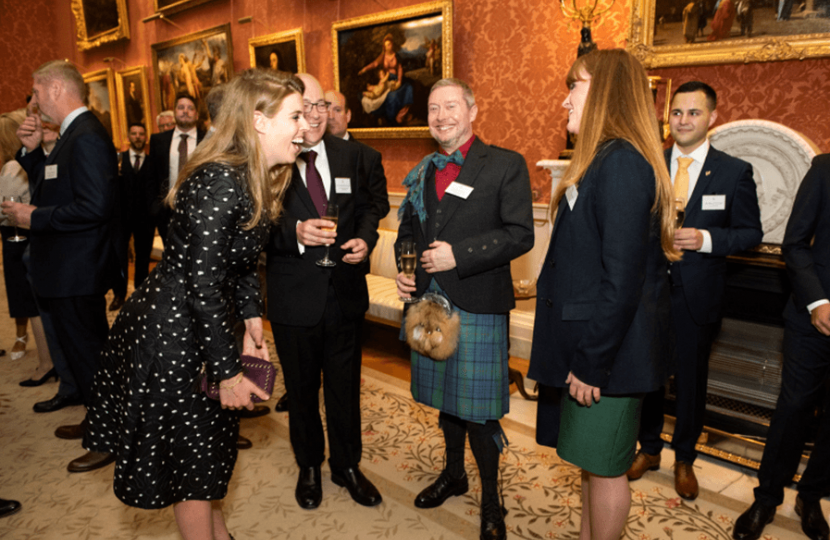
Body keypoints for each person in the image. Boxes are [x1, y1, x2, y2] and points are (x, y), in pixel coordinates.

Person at [80, 69, 307, 539]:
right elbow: (202, 285)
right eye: (296, 116)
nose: (304, 126)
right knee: (191, 462)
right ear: (260, 121)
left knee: (206, 455)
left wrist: (250, 317)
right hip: (174, 334)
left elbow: (241, 262)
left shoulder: (262, 176)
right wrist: (226, 372)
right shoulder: (221, 180)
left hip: (204, 323)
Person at [528, 49, 681, 540]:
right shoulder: (602, 159)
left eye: (574, 85)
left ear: (605, 92)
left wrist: (592, 362)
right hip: (593, 348)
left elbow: (623, 281)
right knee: (593, 466)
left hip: (608, 358)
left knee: (607, 468)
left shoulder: (621, 165)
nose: (564, 99)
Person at [396, 78, 533, 540]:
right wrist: (405, 269)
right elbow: (407, 235)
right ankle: (454, 474)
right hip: (428, 304)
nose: (441, 116)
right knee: (445, 402)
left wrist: (460, 254)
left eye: (450, 106)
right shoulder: (420, 171)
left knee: (479, 410)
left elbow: (521, 234)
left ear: (473, 109)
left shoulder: (505, 165)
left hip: (477, 303)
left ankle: (492, 503)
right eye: (433, 108)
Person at [627, 81, 762, 500]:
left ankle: (683, 457)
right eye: (676, 113)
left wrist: (705, 239)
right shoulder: (648, 164)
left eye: (693, 113)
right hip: (648, 289)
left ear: (712, 117)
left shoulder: (733, 171)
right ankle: (648, 448)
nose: (683, 121)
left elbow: (750, 234)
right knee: (646, 375)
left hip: (696, 294)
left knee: (689, 380)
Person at [2, 60, 127, 472]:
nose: (33, 103)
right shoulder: (74, 133)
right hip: (67, 267)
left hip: (79, 269)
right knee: (81, 352)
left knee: (92, 356)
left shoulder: (87, 135)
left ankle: (109, 438)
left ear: (55, 88)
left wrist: (32, 217)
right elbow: (53, 185)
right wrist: (32, 152)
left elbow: (95, 206)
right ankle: (98, 420)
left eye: (36, 93)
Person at [265, 73, 382, 510]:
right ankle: (309, 465)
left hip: (344, 291)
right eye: (304, 107)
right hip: (294, 295)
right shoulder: (271, 159)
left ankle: (347, 466)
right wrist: (294, 231)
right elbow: (253, 223)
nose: (314, 116)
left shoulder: (351, 154)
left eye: (321, 107)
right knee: (300, 390)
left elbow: (372, 206)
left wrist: (366, 238)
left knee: (344, 388)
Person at [732, 156, 830, 540]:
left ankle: (811, 496)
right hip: (814, 316)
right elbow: (795, 244)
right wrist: (817, 302)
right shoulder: (824, 169)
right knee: (793, 410)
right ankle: (766, 498)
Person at [0, 107, 53, 383]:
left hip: (17, 237)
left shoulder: (11, 166)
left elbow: (3, 210)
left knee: (31, 303)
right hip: (35, 232)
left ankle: (45, 362)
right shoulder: (35, 158)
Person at [144, 93, 205, 246]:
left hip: (201, 212)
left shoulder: (208, 140)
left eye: (190, 108)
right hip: (167, 212)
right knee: (172, 260)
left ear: (196, 115)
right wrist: (155, 208)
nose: (185, 111)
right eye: (181, 107)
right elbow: (151, 177)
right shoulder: (158, 141)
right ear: (175, 112)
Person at [109, 122, 148, 311]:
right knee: (120, 257)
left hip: (145, 219)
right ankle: (119, 294)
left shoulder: (152, 160)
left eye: (141, 134)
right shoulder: (118, 159)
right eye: (134, 133)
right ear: (128, 136)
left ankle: (141, 295)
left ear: (145, 137)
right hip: (121, 218)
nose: (138, 137)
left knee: (142, 258)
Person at [357, 33, 414, 125]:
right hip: (386, 79)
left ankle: (401, 114)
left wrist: (399, 81)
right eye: (387, 45)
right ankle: (388, 118)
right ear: (384, 46)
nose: (389, 46)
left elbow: (400, 69)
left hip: (396, 79)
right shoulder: (383, 55)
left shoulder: (397, 56)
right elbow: (374, 64)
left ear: (392, 44)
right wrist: (364, 69)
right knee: (387, 95)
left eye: (390, 44)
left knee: (408, 88)